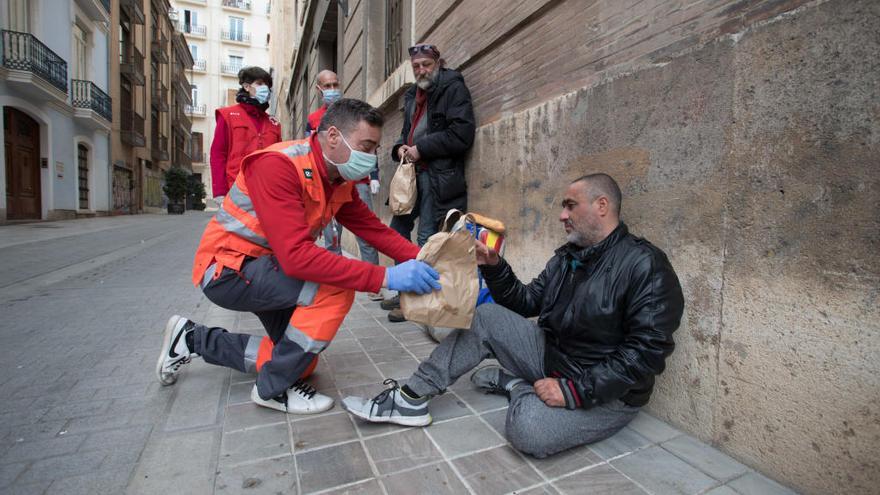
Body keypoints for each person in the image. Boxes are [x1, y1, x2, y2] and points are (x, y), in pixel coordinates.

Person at [342, 174, 685, 459]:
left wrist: (574, 392)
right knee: (488, 315)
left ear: (602, 206)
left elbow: (646, 353)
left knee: (529, 431)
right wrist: (495, 266)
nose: (562, 216)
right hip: (554, 356)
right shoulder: (567, 258)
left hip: (607, 394)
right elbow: (525, 302)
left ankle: (516, 386)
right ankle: (410, 399)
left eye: (570, 205)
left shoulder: (646, 265)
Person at [156, 99, 442, 415]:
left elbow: (373, 229)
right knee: (334, 290)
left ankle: (193, 339)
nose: (371, 157)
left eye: (375, 149)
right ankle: (272, 390)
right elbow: (296, 258)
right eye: (367, 146)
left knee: (300, 363)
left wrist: (431, 259)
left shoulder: (336, 180)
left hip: (267, 269)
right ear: (333, 136)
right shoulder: (278, 166)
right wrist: (386, 278)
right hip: (228, 269)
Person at [381, 43, 476, 322]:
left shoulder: (453, 88)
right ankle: (404, 292)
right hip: (411, 175)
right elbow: (404, 134)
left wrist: (422, 148)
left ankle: (416, 302)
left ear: (438, 63)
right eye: (417, 66)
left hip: (438, 176)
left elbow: (462, 134)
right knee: (396, 233)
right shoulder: (413, 95)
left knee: (426, 240)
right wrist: (399, 147)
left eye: (426, 65)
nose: (421, 70)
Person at [309, 71, 383, 301]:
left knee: (367, 235)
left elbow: (374, 231)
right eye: (328, 85)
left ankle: (370, 286)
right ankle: (337, 281)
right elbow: (295, 256)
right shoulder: (313, 121)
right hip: (328, 184)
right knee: (333, 236)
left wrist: (374, 175)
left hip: (354, 182)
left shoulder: (355, 115)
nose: (333, 88)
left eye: (335, 84)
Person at [210, 66, 282, 203]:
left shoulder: (274, 124)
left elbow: (279, 160)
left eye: (267, 85)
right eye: (260, 83)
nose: (265, 88)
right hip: (236, 191)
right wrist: (219, 192)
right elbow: (218, 154)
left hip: (267, 192)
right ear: (247, 87)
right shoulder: (227, 115)